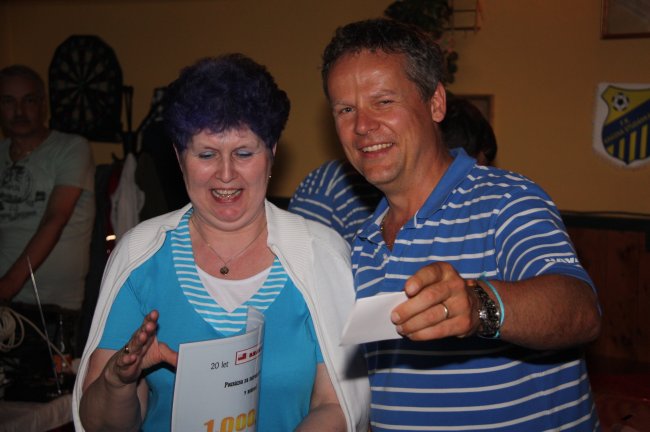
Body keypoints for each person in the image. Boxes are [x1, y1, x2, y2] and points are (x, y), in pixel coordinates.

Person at [321, 18, 602, 431]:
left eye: (383, 101)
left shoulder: (507, 199)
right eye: (346, 109)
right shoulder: (360, 244)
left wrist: (479, 304)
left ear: (436, 103)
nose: (362, 126)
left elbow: (580, 310)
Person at [73, 54, 369, 432]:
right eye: (207, 154)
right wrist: (117, 382)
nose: (226, 174)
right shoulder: (141, 254)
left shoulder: (319, 255)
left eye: (244, 153)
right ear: (180, 157)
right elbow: (102, 425)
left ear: (272, 152)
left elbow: (337, 406)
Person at [288, 96, 497, 246]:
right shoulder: (327, 185)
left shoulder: (497, 206)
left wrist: (479, 292)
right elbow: (297, 268)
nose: (363, 126)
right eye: (347, 109)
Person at [0, 65, 95, 355]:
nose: (19, 111)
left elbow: (55, 219)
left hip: (52, 310)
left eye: (28, 100)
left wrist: (5, 288)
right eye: (8, 101)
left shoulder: (72, 148)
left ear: (43, 104)